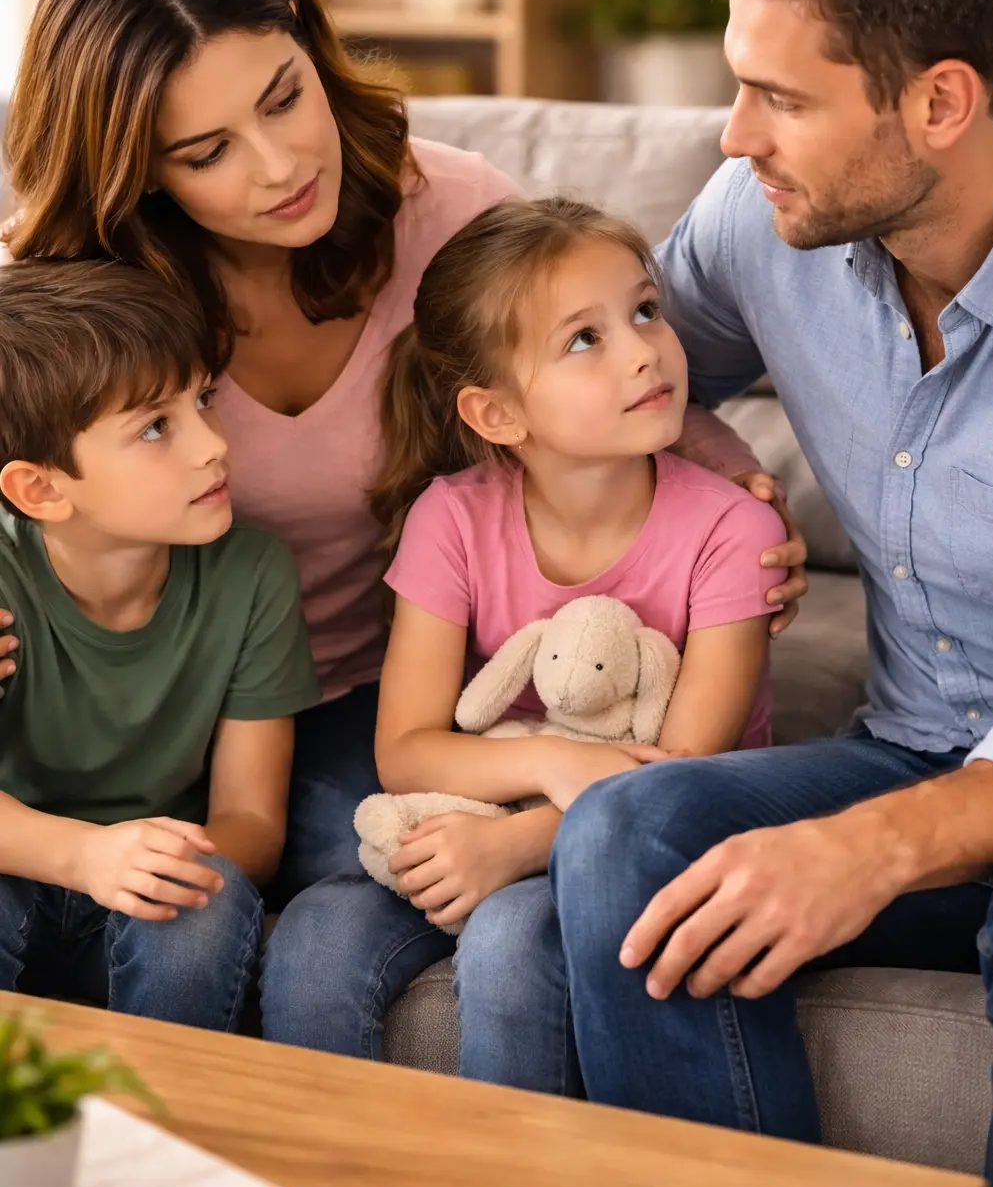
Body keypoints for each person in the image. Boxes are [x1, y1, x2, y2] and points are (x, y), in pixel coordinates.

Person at [0, 0, 805, 938]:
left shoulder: (456, 215)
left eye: (284, 98)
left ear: (305, 37)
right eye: (207, 153)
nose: (280, 164)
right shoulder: (67, 295)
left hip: (374, 694)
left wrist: (738, 486)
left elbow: (604, 374)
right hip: (128, 702)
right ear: (137, 171)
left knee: (349, 912)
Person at [547, 0, 993, 1187]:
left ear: (941, 102)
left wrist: (875, 848)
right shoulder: (765, 228)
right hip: (908, 736)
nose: (730, 134)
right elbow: (584, 374)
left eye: (779, 97)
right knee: (628, 838)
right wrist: (695, 449)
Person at [262, 195, 786, 1088]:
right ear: (497, 415)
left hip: (652, 842)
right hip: (492, 804)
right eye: (585, 339)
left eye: (645, 311)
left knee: (508, 946)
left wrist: (514, 845)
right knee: (313, 939)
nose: (641, 350)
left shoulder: (734, 531)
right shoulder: (453, 519)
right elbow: (406, 750)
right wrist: (548, 765)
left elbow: (680, 777)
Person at [0, 259, 318, 1028]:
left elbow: (252, 824)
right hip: (20, 868)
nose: (213, 445)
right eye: (155, 427)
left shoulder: (251, 572)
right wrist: (85, 856)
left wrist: (157, 864)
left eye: (204, 399)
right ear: (40, 489)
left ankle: (164, 1137)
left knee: (205, 901)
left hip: (156, 885)